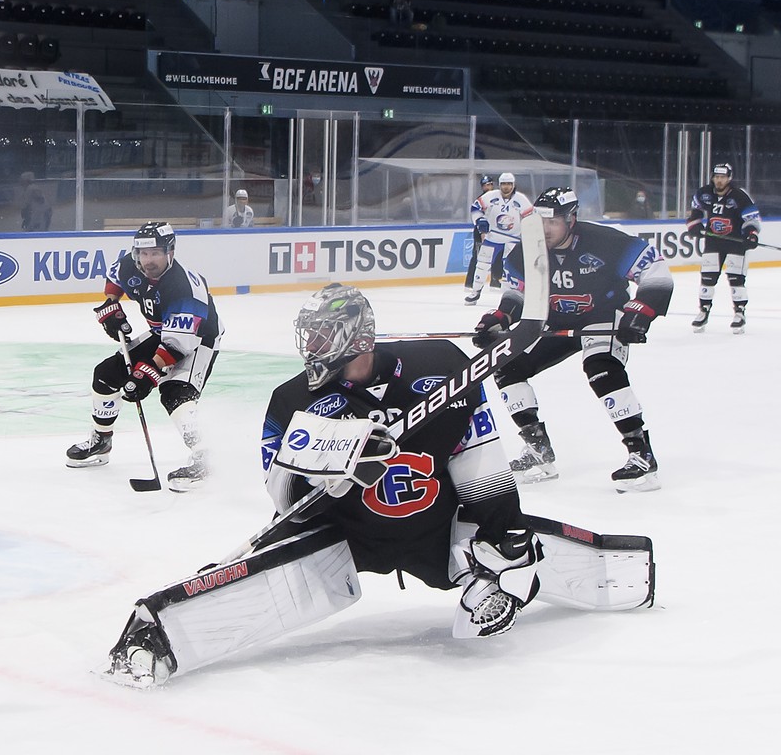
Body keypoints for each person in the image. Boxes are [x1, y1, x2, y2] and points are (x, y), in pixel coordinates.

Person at [101, 285, 649, 688]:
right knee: (280, 568)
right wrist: (330, 461)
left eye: (320, 332)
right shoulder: (292, 399)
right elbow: (283, 502)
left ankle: (544, 575)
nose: (309, 342)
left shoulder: (442, 366)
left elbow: (481, 463)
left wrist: (502, 534)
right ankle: (160, 640)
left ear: (353, 334)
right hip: (345, 532)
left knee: (506, 551)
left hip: (438, 526)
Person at [474, 188, 674, 492]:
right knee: (506, 363)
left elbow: (656, 271)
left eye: (553, 222)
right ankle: (537, 449)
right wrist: (499, 318)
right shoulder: (527, 249)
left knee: (601, 368)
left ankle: (640, 454)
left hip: (604, 317)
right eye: (540, 221)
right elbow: (518, 293)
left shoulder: (606, 242)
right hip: (553, 321)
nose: (545, 229)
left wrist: (641, 311)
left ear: (572, 219)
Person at [66, 222, 223, 491]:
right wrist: (111, 304)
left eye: (155, 254)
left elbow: (177, 346)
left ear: (170, 253)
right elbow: (115, 277)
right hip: (163, 332)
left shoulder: (184, 288)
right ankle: (101, 441)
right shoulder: (130, 263)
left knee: (175, 392)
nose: (147, 261)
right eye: (143, 254)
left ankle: (206, 458)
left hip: (197, 340)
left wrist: (146, 374)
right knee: (105, 376)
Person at [686, 162, 761, 333]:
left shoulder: (740, 196)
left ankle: (739, 313)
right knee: (708, 277)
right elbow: (695, 212)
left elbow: (752, 219)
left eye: (723, 177)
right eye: (717, 177)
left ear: (729, 178)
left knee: (736, 278)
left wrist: (751, 235)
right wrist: (694, 225)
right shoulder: (704, 193)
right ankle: (703, 310)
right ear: (713, 177)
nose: (719, 180)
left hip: (736, 242)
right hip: (714, 242)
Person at [465, 172, 531, 305]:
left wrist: (527, 231)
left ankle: (510, 296)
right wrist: (479, 220)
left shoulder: (521, 199)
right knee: (482, 264)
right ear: (499, 185)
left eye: (509, 184)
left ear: (513, 185)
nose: (506, 187)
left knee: (510, 268)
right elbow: (475, 207)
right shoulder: (490, 196)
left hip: (513, 239)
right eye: (503, 184)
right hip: (492, 237)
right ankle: (476, 291)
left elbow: (530, 216)